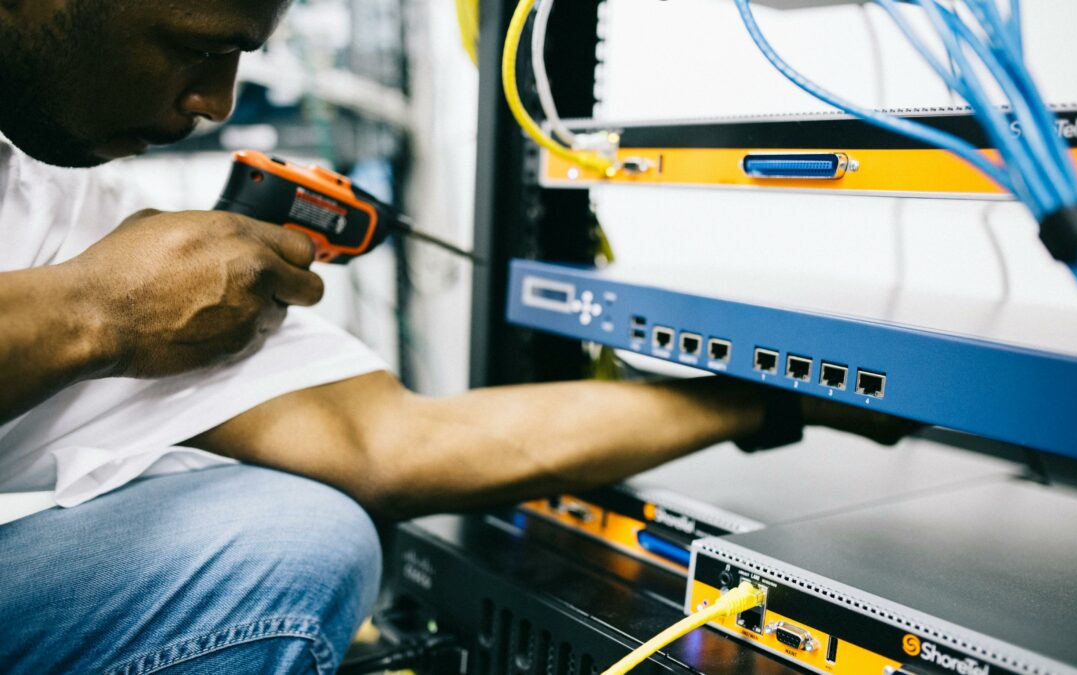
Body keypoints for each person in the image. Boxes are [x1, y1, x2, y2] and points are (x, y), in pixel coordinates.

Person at [0, 0, 910, 672]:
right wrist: (96, 311)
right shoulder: (98, 271)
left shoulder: (54, 202)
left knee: (298, 525)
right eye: (199, 46)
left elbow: (386, 441)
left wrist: (771, 392)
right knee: (282, 547)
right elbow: (101, 302)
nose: (214, 101)